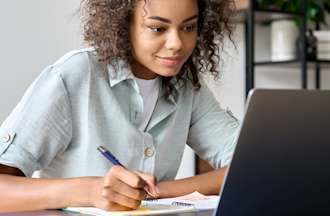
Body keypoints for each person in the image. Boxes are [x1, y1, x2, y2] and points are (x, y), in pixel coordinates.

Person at [0, 0, 239, 212]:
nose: (177, 43)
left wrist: (158, 191)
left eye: (188, 27)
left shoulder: (187, 87)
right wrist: (91, 191)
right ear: (124, 25)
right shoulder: (74, 76)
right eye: (158, 28)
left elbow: (248, 165)